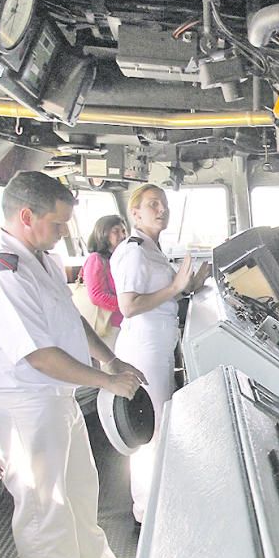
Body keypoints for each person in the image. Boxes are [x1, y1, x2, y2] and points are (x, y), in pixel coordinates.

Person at [0, 171, 146, 558]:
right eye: (58, 223)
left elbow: (70, 321)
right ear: (26, 217)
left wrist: (109, 359)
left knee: (81, 489)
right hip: (22, 402)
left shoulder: (39, 258)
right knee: (44, 505)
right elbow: (39, 355)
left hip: (52, 396)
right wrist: (106, 383)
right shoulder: (2, 272)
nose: (64, 232)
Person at [111, 184, 210, 525]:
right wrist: (175, 288)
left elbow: (165, 295)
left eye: (164, 204)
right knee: (148, 433)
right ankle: (147, 514)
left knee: (157, 428)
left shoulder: (153, 250)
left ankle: (154, 505)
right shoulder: (134, 251)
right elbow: (129, 305)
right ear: (135, 213)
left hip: (159, 346)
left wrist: (192, 284)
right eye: (153, 204)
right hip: (143, 349)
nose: (162, 209)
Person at [81, 215, 127, 348]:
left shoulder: (119, 259)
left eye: (123, 231)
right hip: (109, 325)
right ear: (103, 234)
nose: (122, 235)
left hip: (123, 322)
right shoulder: (96, 259)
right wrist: (127, 304)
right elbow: (97, 296)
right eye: (116, 231)